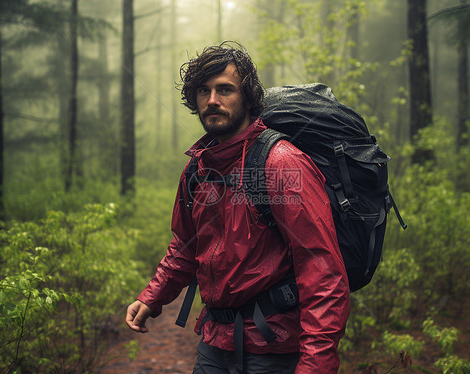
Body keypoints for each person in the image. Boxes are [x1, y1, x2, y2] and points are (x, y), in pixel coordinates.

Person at [125, 42, 350, 374]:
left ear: (247, 98)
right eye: (204, 90)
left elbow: (323, 274)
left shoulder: (280, 163)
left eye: (225, 89)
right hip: (215, 343)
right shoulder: (198, 170)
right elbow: (186, 245)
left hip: (273, 346)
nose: (212, 100)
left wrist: (316, 364)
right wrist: (152, 296)